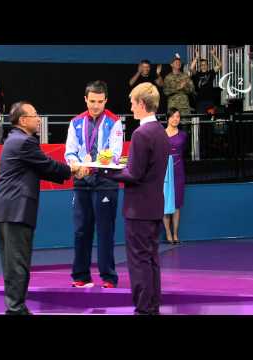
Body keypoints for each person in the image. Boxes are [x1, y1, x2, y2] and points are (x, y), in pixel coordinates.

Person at [0, 101, 85, 315]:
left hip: (8, 210)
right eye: (35, 115)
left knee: (13, 264)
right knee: (18, 264)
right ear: (23, 120)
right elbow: (48, 166)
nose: (38, 118)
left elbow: (42, 170)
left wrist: (69, 171)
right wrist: (73, 169)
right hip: (16, 211)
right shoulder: (25, 142)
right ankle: (15, 310)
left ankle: (16, 308)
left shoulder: (15, 140)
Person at [100, 82, 170, 315]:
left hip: (138, 210)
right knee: (150, 260)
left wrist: (106, 170)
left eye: (132, 103)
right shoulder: (160, 131)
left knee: (139, 262)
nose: (130, 107)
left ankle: (143, 309)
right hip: (154, 207)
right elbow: (142, 169)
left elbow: (134, 174)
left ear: (141, 104)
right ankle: (151, 307)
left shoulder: (141, 133)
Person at [64, 80, 123, 289]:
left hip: (105, 181)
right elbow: (69, 152)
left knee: (105, 231)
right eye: (92, 101)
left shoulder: (114, 122)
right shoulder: (76, 122)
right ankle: (81, 275)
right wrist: (76, 164)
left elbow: (116, 154)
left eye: (99, 101)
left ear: (106, 100)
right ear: (85, 99)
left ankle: (108, 277)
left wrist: (99, 161)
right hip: (81, 180)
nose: (95, 105)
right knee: (81, 230)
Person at [162, 108, 187, 245]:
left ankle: (176, 234)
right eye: (172, 116)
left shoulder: (183, 135)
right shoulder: (161, 134)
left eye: (177, 116)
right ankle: (168, 233)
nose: (175, 119)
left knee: (176, 204)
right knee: (166, 203)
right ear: (168, 118)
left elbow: (182, 151)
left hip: (178, 170)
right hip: (165, 171)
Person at [127, 60, 163, 139]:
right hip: (139, 108)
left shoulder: (152, 77)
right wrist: (138, 72)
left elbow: (161, 84)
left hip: (149, 108)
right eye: (144, 67)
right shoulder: (137, 77)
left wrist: (158, 74)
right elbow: (130, 83)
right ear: (140, 67)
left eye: (147, 67)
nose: (146, 69)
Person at [190, 49, 222, 114]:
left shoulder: (211, 73)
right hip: (200, 102)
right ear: (200, 66)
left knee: (210, 121)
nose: (203, 66)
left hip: (210, 101)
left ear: (207, 66)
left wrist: (213, 55)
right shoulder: (197, 74)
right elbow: (191, 68)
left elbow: (220, 65)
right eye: (202, 65)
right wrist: (196, 57)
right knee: (201, 121)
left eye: (205, 64)